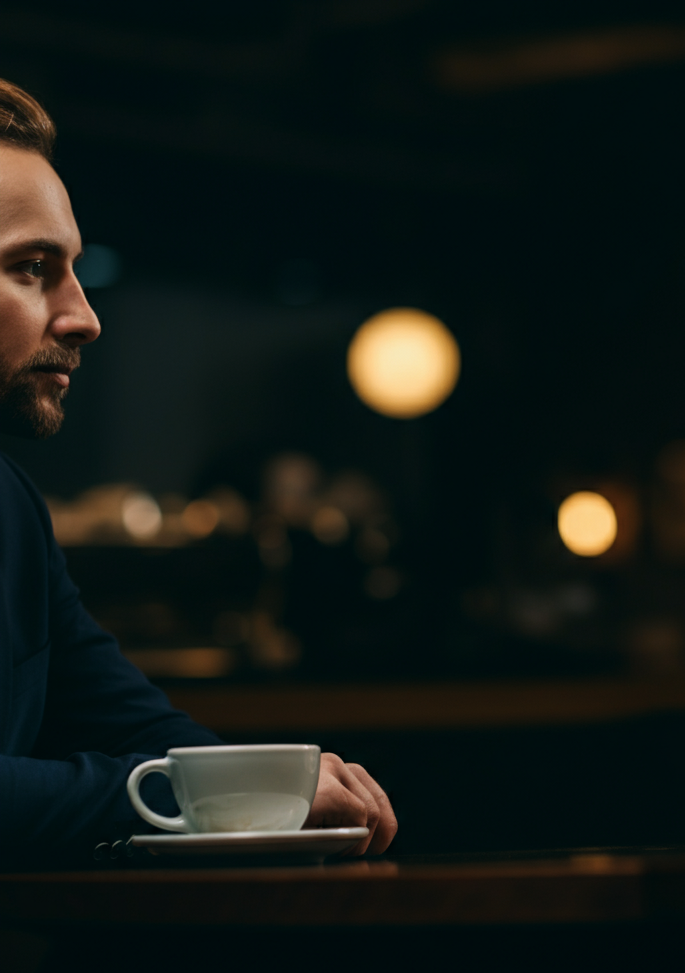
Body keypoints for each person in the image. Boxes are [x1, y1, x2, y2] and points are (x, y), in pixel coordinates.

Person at [0, 78, 396, 862]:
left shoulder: (11, 506)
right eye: (32, 267)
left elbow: (125, 720)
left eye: (72, 268)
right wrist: (202, 800)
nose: (85, 316)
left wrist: (270, 789)